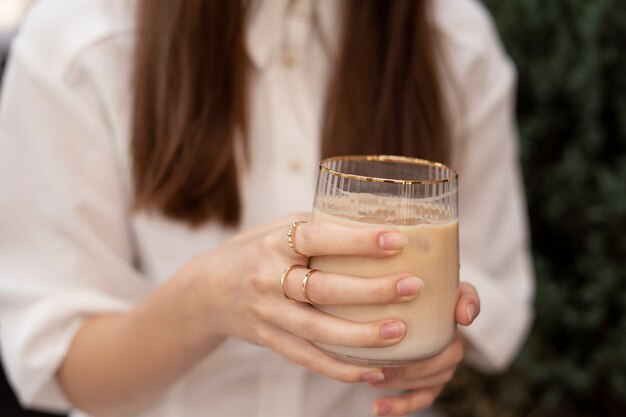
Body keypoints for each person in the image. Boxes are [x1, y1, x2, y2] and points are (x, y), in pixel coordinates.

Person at [0, 0, 534, 416]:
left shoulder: (455, 39)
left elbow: (479, 300)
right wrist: (210, 300)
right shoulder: (79, 37)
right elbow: (68, 365)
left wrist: (424, 345)